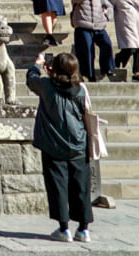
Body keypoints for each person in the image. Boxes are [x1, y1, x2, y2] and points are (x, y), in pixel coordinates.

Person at [27, 52, 92, 243]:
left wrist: (37, 65)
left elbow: (31, 80)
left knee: (58, 186)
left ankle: (64, 228)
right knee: (81, 187)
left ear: (54, 68)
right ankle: (83, 229)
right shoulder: (81, 88)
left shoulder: (46, 86)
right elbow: (86, 112)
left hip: (53, 144)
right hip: (78, 143)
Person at [71, 0, 114, 83]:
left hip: (98, 25)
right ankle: (89, 74)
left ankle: (107, 68)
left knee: (107, 44)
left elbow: (109, 6)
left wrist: (106, 17)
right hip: (83, 25)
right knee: (87, 50)